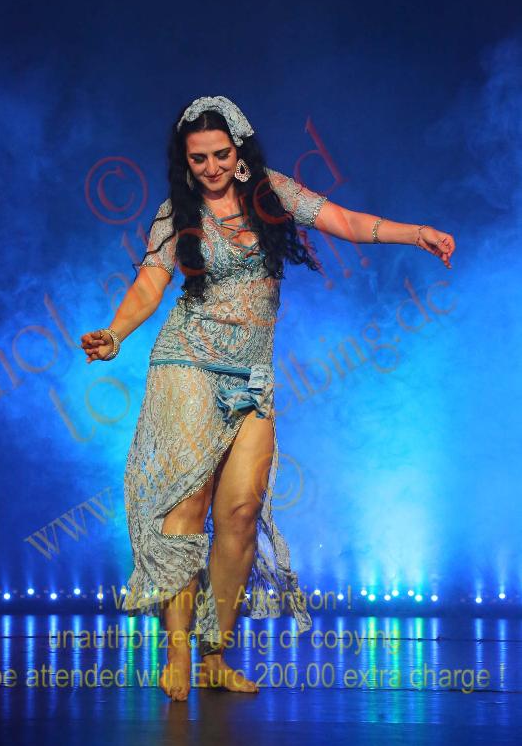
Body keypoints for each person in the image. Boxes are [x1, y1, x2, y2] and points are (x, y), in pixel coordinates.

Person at [80, 95, 455, 702]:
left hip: (252, 375)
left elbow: (345, 221)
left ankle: (215, 654)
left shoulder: (271, 194)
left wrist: (417, 234)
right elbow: (150, 283)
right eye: (198, 158)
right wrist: (116, 333)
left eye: (220, 154)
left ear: (240, 151)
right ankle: (177, 650)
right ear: (185, 161)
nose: (210, 167)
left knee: (240, 512)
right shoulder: (177, 213)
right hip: (188, 365)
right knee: (188, 505)